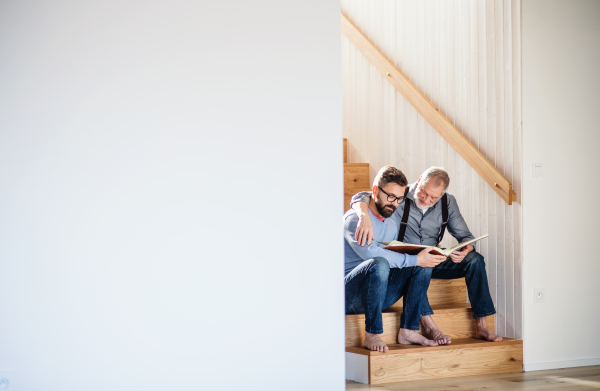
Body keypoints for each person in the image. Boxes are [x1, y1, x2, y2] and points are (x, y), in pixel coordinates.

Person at [351, 166, 502, 342]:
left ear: (442, 194)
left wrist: (468, 246)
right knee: (420, 264)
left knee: (475, 260)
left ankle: (482, 326)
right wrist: (363, 215)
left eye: (433, 198)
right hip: (410, 261)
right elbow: (364, 195)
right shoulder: (400, 195)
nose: (426, 199)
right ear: (420, 180)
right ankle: (429, 326)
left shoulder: (448, 202)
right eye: (424, 192)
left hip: (436, 256)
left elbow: (465, 236)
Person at [344, 166, 450, 353]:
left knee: (423, 262)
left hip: (378, 295)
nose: (394, 203)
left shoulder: (392, 225)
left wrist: (419, 260)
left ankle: (408, 330)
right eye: (390, 196)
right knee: (380, 262)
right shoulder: (355, 220)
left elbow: (397, 263)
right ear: (375, 191)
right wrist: (363, 213)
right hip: (348, 296)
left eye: (399, 199)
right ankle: (372, 334)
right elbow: (371, 255)